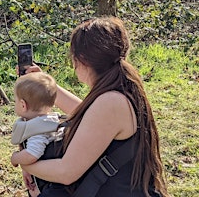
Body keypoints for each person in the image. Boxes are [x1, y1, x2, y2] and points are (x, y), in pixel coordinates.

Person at [18, 17, 168, 196]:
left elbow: (66, 172)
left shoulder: (111, 102)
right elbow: (88, 116)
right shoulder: (119, 88)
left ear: (81, 60)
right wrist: (46, 86)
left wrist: (25, 162)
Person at [10, 72, 62, 197]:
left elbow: (32, 154)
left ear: (23, 105)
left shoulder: (39, 131)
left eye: (15, 100)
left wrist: (15, 158)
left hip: (46, 187)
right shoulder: (47, 122)